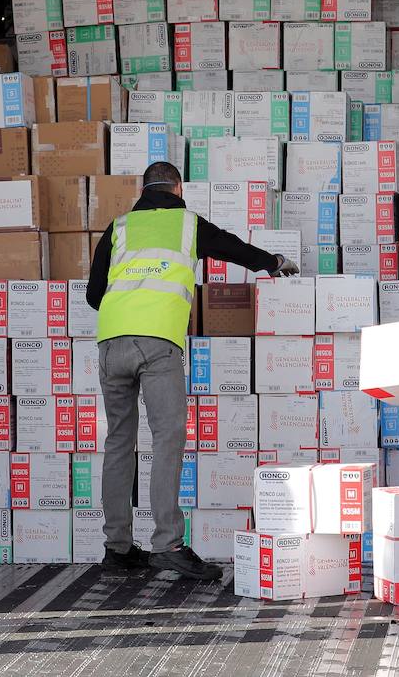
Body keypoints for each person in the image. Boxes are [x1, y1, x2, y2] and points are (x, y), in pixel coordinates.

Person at [85, 161, 299, 580]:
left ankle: (118, 548)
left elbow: (95, 294)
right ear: (178, 189)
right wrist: (272, 262)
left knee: (118, 443)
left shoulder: (119, 227)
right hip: (157, 343)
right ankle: (167, 544)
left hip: (110, 344)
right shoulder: (186, 223)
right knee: (167, 439)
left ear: (143, 189)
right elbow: (232, 247)